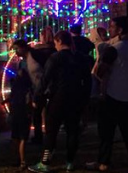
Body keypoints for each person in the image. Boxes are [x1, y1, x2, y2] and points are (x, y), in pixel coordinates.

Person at [29, 31, 91, 173]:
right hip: (75, 99)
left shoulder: (55, 58)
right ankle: (70, 162)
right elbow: (87, 81)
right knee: (72, 131)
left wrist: (37, 97)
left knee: (51, 132)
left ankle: (45, 163)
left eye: (56, 43)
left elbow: (45, 79)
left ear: (59, 41)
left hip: (58, 98)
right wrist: (85, 99)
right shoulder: (80, 58)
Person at [86, 16, 128, 172]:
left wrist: (102, 77)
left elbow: (99, 71)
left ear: (120, 30)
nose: (109, 29)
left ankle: (103, 162)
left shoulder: (114, 49)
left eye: (112, 26)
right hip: (127, 95)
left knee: (106, 132)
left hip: (111, 95)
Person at [8, 40, 34, 169]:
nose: (15, 52)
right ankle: (21, 160)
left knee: (17, 135)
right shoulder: (22, 62)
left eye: (17, 49)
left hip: (18, 105)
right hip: (21, 105)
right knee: (22, 135)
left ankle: (16, 159)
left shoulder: (28, 61)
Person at [30, 26, 56, 144]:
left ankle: (38, 135)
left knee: (37, 111)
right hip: (53, 83)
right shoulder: (55, 50)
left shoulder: (36, 51)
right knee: (51, 111)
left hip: (39, 83)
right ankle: (50, 134)